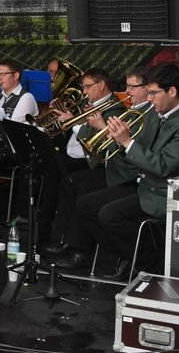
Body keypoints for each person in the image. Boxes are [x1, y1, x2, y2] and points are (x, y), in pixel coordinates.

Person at [76, 63, 179, 280]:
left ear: (172, 91)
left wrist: (127, 142)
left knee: (109, 215)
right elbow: (138, 148)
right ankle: (128, 255)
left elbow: (162, 165)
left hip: (164, 194)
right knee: (85, 206)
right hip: (144, 185)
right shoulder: (156, 113)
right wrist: (118, 140)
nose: (150, 98)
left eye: (154, 93)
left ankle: (150, 265)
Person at [49, 68, 142, 266]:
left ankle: (81, 251)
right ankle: (64, 239)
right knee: (67, 181)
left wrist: (79, 124)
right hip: (105, 165)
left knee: (83, 190)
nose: (84, 92)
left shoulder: (116, 109)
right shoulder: (89, 104)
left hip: (110, 169)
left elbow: (101, 142)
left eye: (87, 86)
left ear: (101, 85)